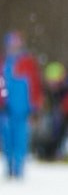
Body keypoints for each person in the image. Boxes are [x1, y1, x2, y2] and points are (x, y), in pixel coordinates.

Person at [1, 31, 31, 179]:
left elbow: (34, 87)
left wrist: (33, 105)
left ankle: (18, 167)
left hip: (22, 110)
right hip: (5, 109)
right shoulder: (3, 63)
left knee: (20, 139)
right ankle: (9, 165)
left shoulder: (27, 63)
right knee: (7, 139)